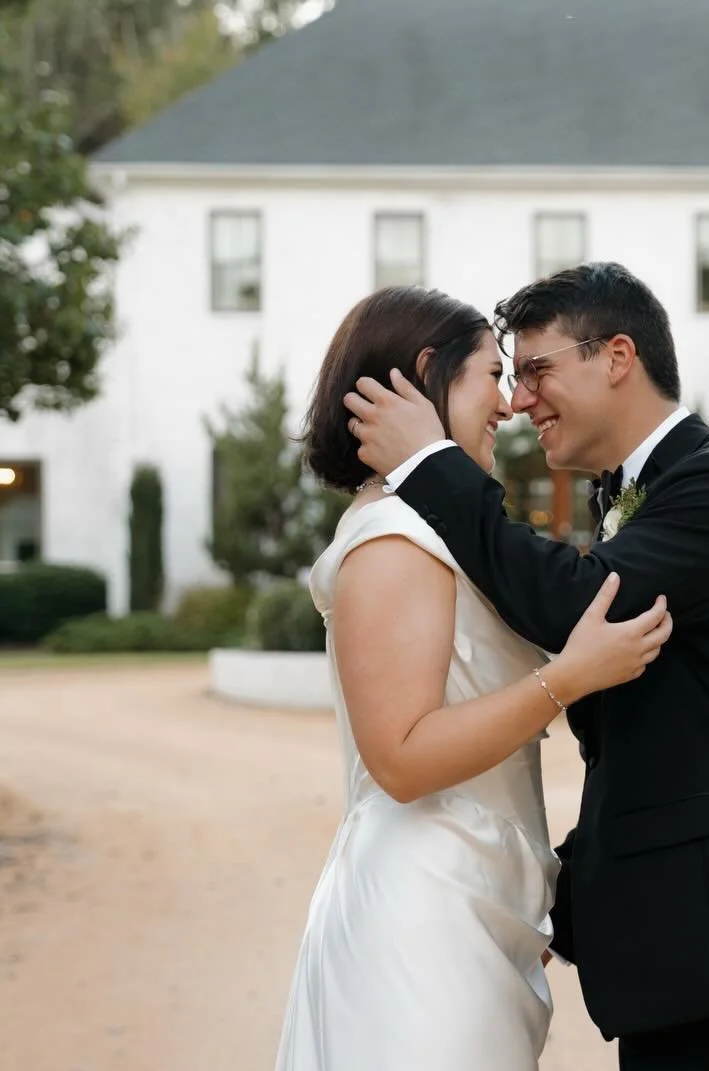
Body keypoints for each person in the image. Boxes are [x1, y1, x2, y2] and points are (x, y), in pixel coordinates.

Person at [343, 263, 709, 1071]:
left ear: (616, 356)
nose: (520, 400)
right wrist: (561, 900)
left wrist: (432, 463)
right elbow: (649, 749)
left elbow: (576, 603)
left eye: (537, 370)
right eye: (511, 375)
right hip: (683, 943)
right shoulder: (633, 495)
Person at [273, 285, 674, 1071]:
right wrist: (566, 679)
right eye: (491, 374)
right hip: (423, 904)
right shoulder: (394, 538)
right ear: (428, 375)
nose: (508, 404)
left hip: (468, 891)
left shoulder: (431, 527)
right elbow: (401, 757)